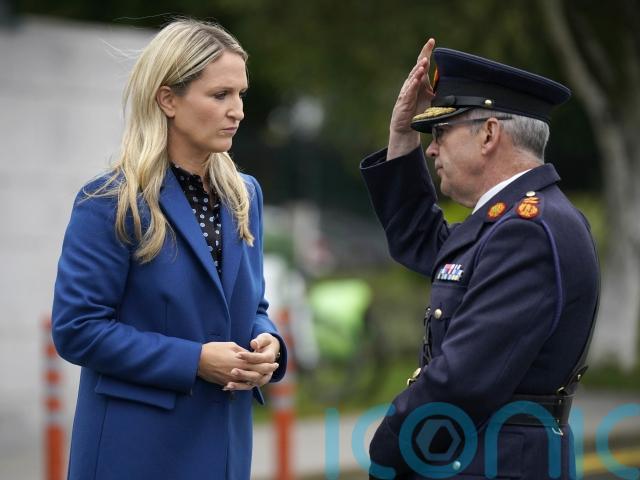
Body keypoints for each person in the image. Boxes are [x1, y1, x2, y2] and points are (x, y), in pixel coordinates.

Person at [52, 19, 287, 480]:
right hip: (134, 452)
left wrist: (268, 344)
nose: (238, 111)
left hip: (224, 449)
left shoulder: (245, 194)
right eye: (220, 95)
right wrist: (194, 360)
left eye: (240, 94)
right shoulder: (110, 201)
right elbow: (77, 328)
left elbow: (252, 305)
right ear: (168, 99)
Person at [360, 39, 599, 479]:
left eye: (441, 132)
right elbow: (423, 241)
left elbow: (460, 381)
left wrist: (388, 450)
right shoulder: (512, 221)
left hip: (496, 461)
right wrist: (401, 137)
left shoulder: (526, 230)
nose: (432, 149)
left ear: (488, 134)